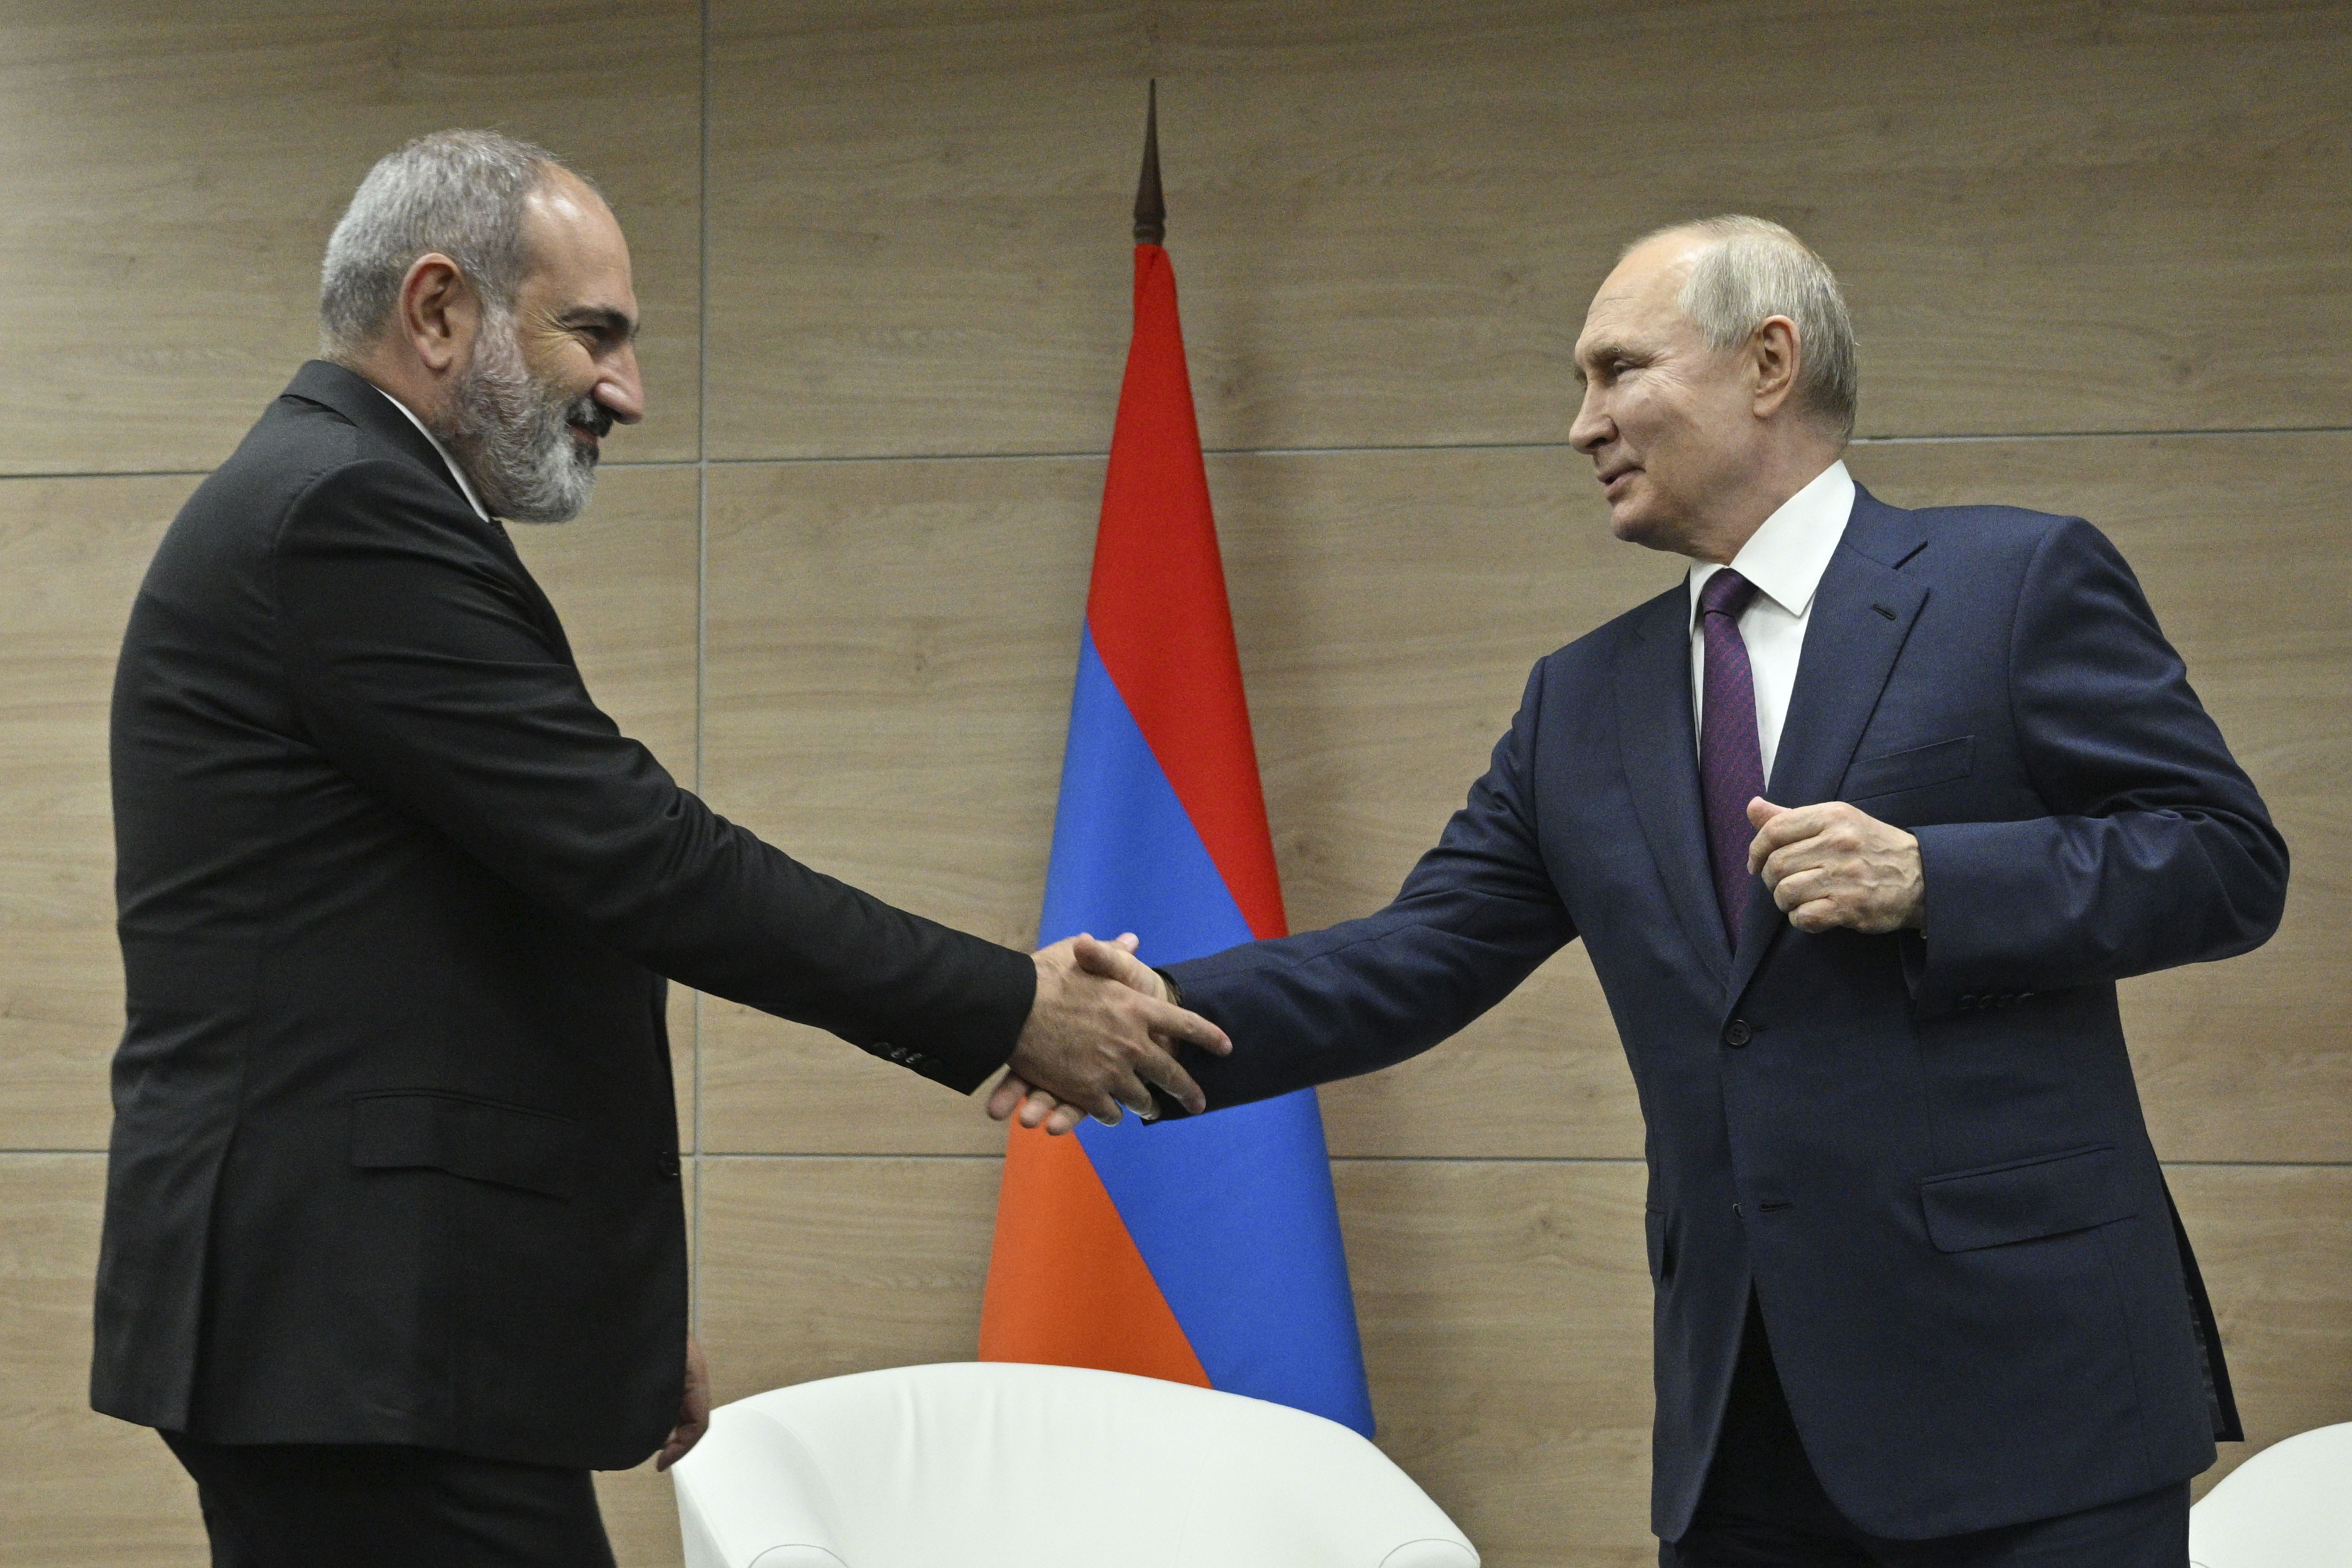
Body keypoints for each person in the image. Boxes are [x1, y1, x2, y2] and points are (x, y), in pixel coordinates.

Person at [997, 215, 2287, 1565]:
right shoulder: (1581, 699)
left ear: (1769, 363)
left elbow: (2223, 858)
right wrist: (1131, 1019)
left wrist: (1935, 877)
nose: (1583, 423)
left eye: (1618, 370)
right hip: (1741, 1427)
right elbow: (1416, 957)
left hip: (2033, 1404)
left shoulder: (2011, 584)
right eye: (1580, 383)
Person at [95, 129, 1225, 1568]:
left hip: (390, 1336)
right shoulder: (345, 514)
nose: (627, 390)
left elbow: (504, 948)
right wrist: (1010, 1008)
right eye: (597, 336)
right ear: (438, 311)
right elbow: (645, 859)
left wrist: (590, 1306)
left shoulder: (346, 497)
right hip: (356, 1341)